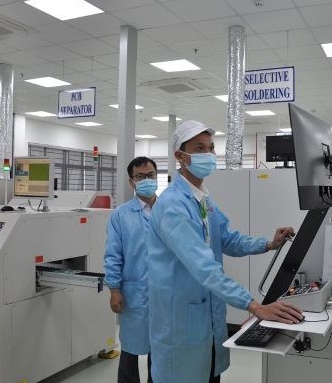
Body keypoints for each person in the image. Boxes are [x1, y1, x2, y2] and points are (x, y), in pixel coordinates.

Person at [147, 121, 304, 383]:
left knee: (208, 373)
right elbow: (204, 267)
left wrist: (268, 244)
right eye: (199, 148)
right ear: (180, 156)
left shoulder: (202, 199)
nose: (208, 154)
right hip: (180, 320)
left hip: (206, 317)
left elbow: (228, 239)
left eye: (211, 148)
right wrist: (254, 306)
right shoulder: (173, 206)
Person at [104, 156, 158, 383]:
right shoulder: (120, 215)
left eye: (150, 175)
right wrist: (114, 289)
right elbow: (113, 255)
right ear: (131, 181)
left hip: (166, 292)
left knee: (161, 350)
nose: (146, 180)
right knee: (129, 351)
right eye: (140, 177)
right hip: (134, 293)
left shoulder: (171, 210)